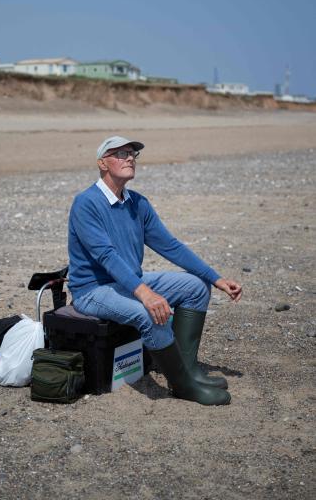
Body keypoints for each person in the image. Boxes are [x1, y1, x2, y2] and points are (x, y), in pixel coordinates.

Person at [68, 135, 242, 406]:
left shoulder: (138, 203)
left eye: (132, 154)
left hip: (128, 283)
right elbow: (106, 256)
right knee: (147, 312)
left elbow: (170, 246)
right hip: (93, 290)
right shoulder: (86, 203)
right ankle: (182, 385)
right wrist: (145, 294)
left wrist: (215, 278)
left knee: (196, 288)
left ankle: (188, 369)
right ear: (102, 163)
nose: (129, 158)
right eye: (121, 153)